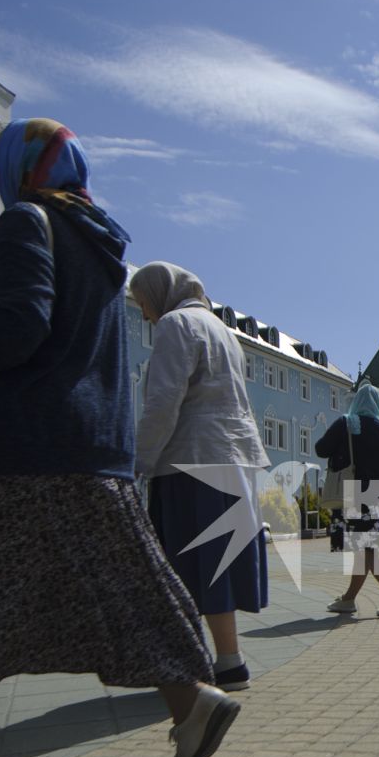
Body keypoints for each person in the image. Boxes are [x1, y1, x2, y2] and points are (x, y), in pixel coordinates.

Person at [0, 120, 237, 757]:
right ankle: (192, 699)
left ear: (18, 167)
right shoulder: (100, 242)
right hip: (89, 446)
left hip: (9, 446)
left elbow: (14, 327)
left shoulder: (25, 221)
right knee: (120, 585)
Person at [130, 262, 270, 690]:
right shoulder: (222, 330)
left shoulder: (176, 324)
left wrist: (139, 460)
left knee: (187, 564)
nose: (143, 314)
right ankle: (228, 660)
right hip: (232, 460)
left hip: (189, 460)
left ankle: (193, 664)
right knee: (217, 562)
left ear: (160, 294)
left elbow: (164, 401)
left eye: (143, 303)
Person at [315, 383, 379, 617]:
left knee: (368, 553)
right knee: (364, 550)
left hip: (352, 497)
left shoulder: (347, 423)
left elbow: (321, 449)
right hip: (376, 500)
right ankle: (349, 599)